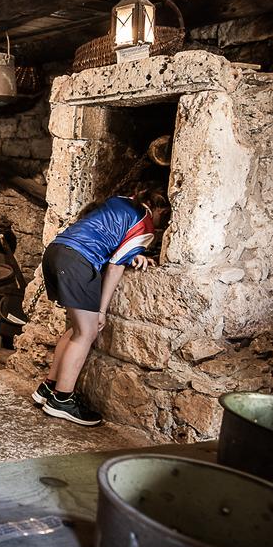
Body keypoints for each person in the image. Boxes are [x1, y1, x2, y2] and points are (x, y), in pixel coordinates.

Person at [33, 183, 171, 426]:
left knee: (76, 329)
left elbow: (112, 237)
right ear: (159, 209)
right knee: (87, 332)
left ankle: (49, 387)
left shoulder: (120, 201)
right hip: (79, 260)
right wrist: (101, 310)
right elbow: (116, 265)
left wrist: (134, 252)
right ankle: (62, 400)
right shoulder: (146, 224)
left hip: (57, 252)